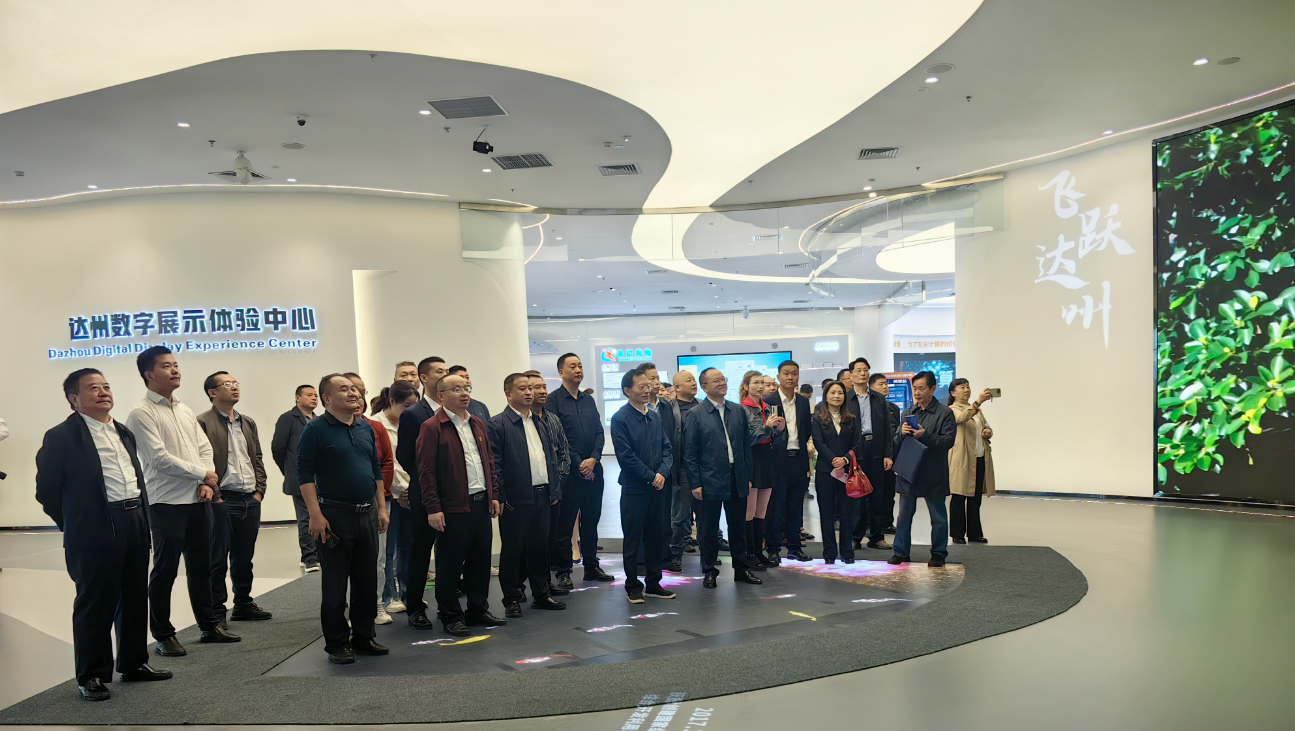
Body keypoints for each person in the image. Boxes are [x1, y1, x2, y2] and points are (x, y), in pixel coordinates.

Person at [36, 368, 172, 702]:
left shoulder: (122, 430)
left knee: (134, 594)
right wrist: (76, 523)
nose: (103, 392)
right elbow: (47, 491)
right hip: (94, 526)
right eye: (93, 388)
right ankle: (92, 674)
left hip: (134, 518)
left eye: (106, 386)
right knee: (95, 601)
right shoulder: (61, 436)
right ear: (74, 399)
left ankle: (133, 663)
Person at [125, 346, 238, 657]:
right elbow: (158, 459)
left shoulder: (185, 410)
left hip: (198, 500)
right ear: (148, 374)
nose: (175, 370)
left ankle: (209, 625)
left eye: (175, 364)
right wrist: (202, 474)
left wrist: (205, 481)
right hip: (165, 503)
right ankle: (163, 634)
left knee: (202, 567)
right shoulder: (141, 413)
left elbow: (204, 449)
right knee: (165, 571)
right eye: (166, 366)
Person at [296, 374, 390, 664]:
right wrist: (315, 514)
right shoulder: (315, 429)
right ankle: (337, 644)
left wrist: (381, 508)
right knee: (335, 585)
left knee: (366, 581)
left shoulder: (364, 427)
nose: (353, 393)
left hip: (367, 513)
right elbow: (304, 474)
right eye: (344, 389)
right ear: (326, 398)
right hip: (334, 516)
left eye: (354, 389)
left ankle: (363, 637)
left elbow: (375, 469)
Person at [416, 374, 507, 636]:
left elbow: (489, 462)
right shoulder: (432, 427)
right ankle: (450, 615)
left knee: (480, 561)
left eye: (466, 388)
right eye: (456, 389)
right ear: (441, 395)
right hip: (453, 507)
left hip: (480, 502)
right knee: (450, 564)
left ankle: (477, 610)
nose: (464, 393)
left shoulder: (477, 422)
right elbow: (426, 471)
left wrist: (494, 494)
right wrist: (433, 508)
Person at [488, 373, 567, 618]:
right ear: (508, 393)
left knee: (540, 548)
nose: (529, 392)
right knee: (513, 551)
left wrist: (554, 489)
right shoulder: (498, 424)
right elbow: (495, 464)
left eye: (530, 388)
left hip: (543, 494)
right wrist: (501, 496)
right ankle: (511, 598)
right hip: (516, 499)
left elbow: (550, 458)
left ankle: (542, 594)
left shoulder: (539, 422)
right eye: (522, 388)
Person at [196, 372, 272, 627]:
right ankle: (217, 612)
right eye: (227, 384)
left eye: (235, 383)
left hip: (249, 498)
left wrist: (259, 490)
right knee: (217, 559)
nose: (234, 387)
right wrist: (215, 496)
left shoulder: (247, 422)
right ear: (212, 392)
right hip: (222, 499)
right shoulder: (202, 422)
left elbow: (257, 458)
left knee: (244, 557)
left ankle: (243, 604)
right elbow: (200, 461)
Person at [683, 367, 762, 588]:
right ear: (704, 386)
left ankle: (741, 569)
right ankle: (709, 571)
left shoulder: (737, 411)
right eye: (716, 380)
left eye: (723, 379)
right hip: (709, 479)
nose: (722, 383)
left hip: (737, 477)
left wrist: (747, 476)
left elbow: (745, 447)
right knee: (708, 530)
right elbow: (690, 453)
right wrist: (695, 483)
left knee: (738, 527)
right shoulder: (696, 414)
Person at [610, 368, 677, 603]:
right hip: (635, 488)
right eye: (641, 387)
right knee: (632, 538)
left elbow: (667, 448)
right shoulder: (620, 418)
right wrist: (651, 476)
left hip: (657, 487)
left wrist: (662, 473)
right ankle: (632, 586)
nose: (647, 390)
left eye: (648, 386)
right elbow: (626, 456)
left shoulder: (654, 416)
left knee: (655, 537)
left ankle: (653, 583)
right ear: (627, 391)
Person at [549, 353, 613, 588]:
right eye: (572, 366)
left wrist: (594, 458)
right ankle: (563, 570)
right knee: (565, 524)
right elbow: (559, 438)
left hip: (594, 470)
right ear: (561, 372)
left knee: (591, 521)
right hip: (569, 473)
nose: (578, 370)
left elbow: (599, 431)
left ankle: (592, 567)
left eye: (580, 366)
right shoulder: (554, 400)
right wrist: (580, 463)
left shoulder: (588, 400)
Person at [341, 373, 396, 625]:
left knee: (378, 558)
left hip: (376, 502)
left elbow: (384, 463)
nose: (357, 397)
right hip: (341, 506)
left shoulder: (374, 427)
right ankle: (350, 609)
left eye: (361, 392)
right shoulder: (321, 428)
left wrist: (379, 497)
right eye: (350, 390)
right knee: (346, 561)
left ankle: (376, 604)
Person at [398, 356, 447, 628]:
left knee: (450, 550)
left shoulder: (454, 410)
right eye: (439, 371)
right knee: (420, 550)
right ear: (423, 378)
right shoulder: (414, 414)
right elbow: (405, 456)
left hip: (453, 492)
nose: (444, 374)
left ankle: (448, 604)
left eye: (447, 370)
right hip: (425, 492)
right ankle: (414, 606)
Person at [890, 371, 956, 568]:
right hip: (909, 470)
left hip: (933, 471)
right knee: (903, 515)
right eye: (915, 389)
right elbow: (895, 441)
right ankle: (900, 552)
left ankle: (938, 553)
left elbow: (948, 441)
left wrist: (924, 435)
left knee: (938, 517)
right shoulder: (908, 412)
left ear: (933, 389)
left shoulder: (945, 413)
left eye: (921, 388)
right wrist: (901, 434)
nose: (917, 393)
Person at [372, 380, 420, 619]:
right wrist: (405, 489)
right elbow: (388, 464)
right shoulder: (377, 424)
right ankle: (388, 596)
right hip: (392, 494)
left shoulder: (411, 423)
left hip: (411, 493)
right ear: (392, 401)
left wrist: (414, 489)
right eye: (406, 406)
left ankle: (408, 594)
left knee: (408, 548)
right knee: (388, 551)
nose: (410, 411)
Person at [763, 360, 813, 563]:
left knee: (796, 506)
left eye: (794, 373)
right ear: (778, 376)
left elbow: (806, 429)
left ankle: (794, 547)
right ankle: (773, 548)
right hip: (776, 461)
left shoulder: (803, 402)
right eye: (786, 373)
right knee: (775, 506)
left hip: (798, 459)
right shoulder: (768, 401)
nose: (790, 377)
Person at [810, 381, 863, 563]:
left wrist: (845, 460)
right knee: (826, 512)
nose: (836, 396)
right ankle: (829, 553)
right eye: (832, 393)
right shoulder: (818, 419)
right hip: (826, 470)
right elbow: (819, 443)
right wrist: (834, 460)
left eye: (840, 393)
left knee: (847, 513)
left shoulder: (852, 419)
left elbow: (857, 443)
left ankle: (847, 552)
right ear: (826, 396)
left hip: (847, 472)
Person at [844, 357, 894, 551]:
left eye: (865, 370)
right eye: (858, 370)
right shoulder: (846, 398)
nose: (862, 373)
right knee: (857, 494)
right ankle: (855, 536)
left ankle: (876, 536)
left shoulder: (878, 398)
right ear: (851, 375)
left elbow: (887, 429)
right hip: (856, 450)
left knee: (877, 494)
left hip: (876, 448)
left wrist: (888, 454)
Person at [739, 371, 784, 570]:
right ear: (746, 386)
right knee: (749, 511)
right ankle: (749, 553)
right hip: (752, 459)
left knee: (762, 511)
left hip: (768, 458)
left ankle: (758, 551)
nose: (760, 386)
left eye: (762, 383)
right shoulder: (742, 409)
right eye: (755, 383)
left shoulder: (768, 408)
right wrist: (767, 426)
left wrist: (780, 429)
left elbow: (776, 439)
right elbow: (747, 439)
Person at [271, 385, 319, 572]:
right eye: (309, 395)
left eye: (315, 395)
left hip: (319, 477)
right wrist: (289, 469)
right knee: (305, 517)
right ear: (297, 398)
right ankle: (309, 558)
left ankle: (318, 553)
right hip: (299, 476)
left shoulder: (319, 420)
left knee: (320, 515)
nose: (313, 398)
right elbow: (278, 448)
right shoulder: (288, 418)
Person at [947, 378, 996, 545]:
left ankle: (974, 533)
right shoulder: (952, 410)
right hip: (962, 458)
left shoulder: (977, 410)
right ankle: (957, 533)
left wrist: (988, 431)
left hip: (979, 456)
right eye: (962, 387)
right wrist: (978, 401)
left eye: (968, 387)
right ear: (953, 393)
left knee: (975, 498)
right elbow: (961, 418)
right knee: (959, 496)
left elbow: (985, 425)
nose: (966, 390)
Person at [667, 370, 702, 568]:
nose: (693, 383)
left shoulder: (703, 406)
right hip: (681, 469)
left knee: (705, 516)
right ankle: (675, 553)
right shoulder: (669, 409)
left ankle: (708, 554)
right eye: (689, 380)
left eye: (694, 380)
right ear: (677, 387)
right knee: (679, 516)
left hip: (704, 468)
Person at [869, 373, 901, 534]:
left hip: (890, 454)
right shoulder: (867, 406)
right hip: (872, 455)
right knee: (872, 492)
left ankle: (887, 522)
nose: (885, 387)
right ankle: (870, 524)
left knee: (889, 491)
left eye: (886, 384)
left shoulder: (893, 408)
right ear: (871, 388)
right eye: (880, 384)